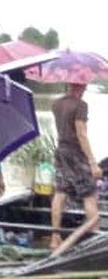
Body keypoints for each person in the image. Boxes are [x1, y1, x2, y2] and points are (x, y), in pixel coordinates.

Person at [49, 82, 102, 255]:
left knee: (60, 192)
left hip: (61, 152)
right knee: (89, 194)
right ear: (80, 86)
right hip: (75, 153)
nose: (85, 89)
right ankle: (94, 240)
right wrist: (93, 162)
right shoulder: (81, 105)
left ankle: (55, 237)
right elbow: (81, 134)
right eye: (84, 86)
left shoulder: (56, 104)